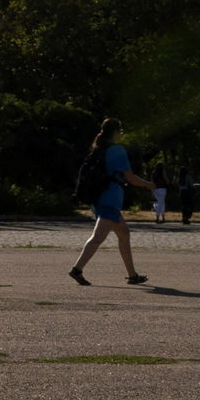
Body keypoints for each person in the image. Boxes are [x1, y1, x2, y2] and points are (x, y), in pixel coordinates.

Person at [68, 118, 143, 284]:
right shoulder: (117, 150)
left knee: (124, 233)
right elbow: (130, 178)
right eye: (120, 131)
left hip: (100, 198)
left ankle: (132, 275)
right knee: (98, 237)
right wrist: (150, 185)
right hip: (110, 199)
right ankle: (77, 269)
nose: (122, 134)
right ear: (115, 132)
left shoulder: (99, 149)